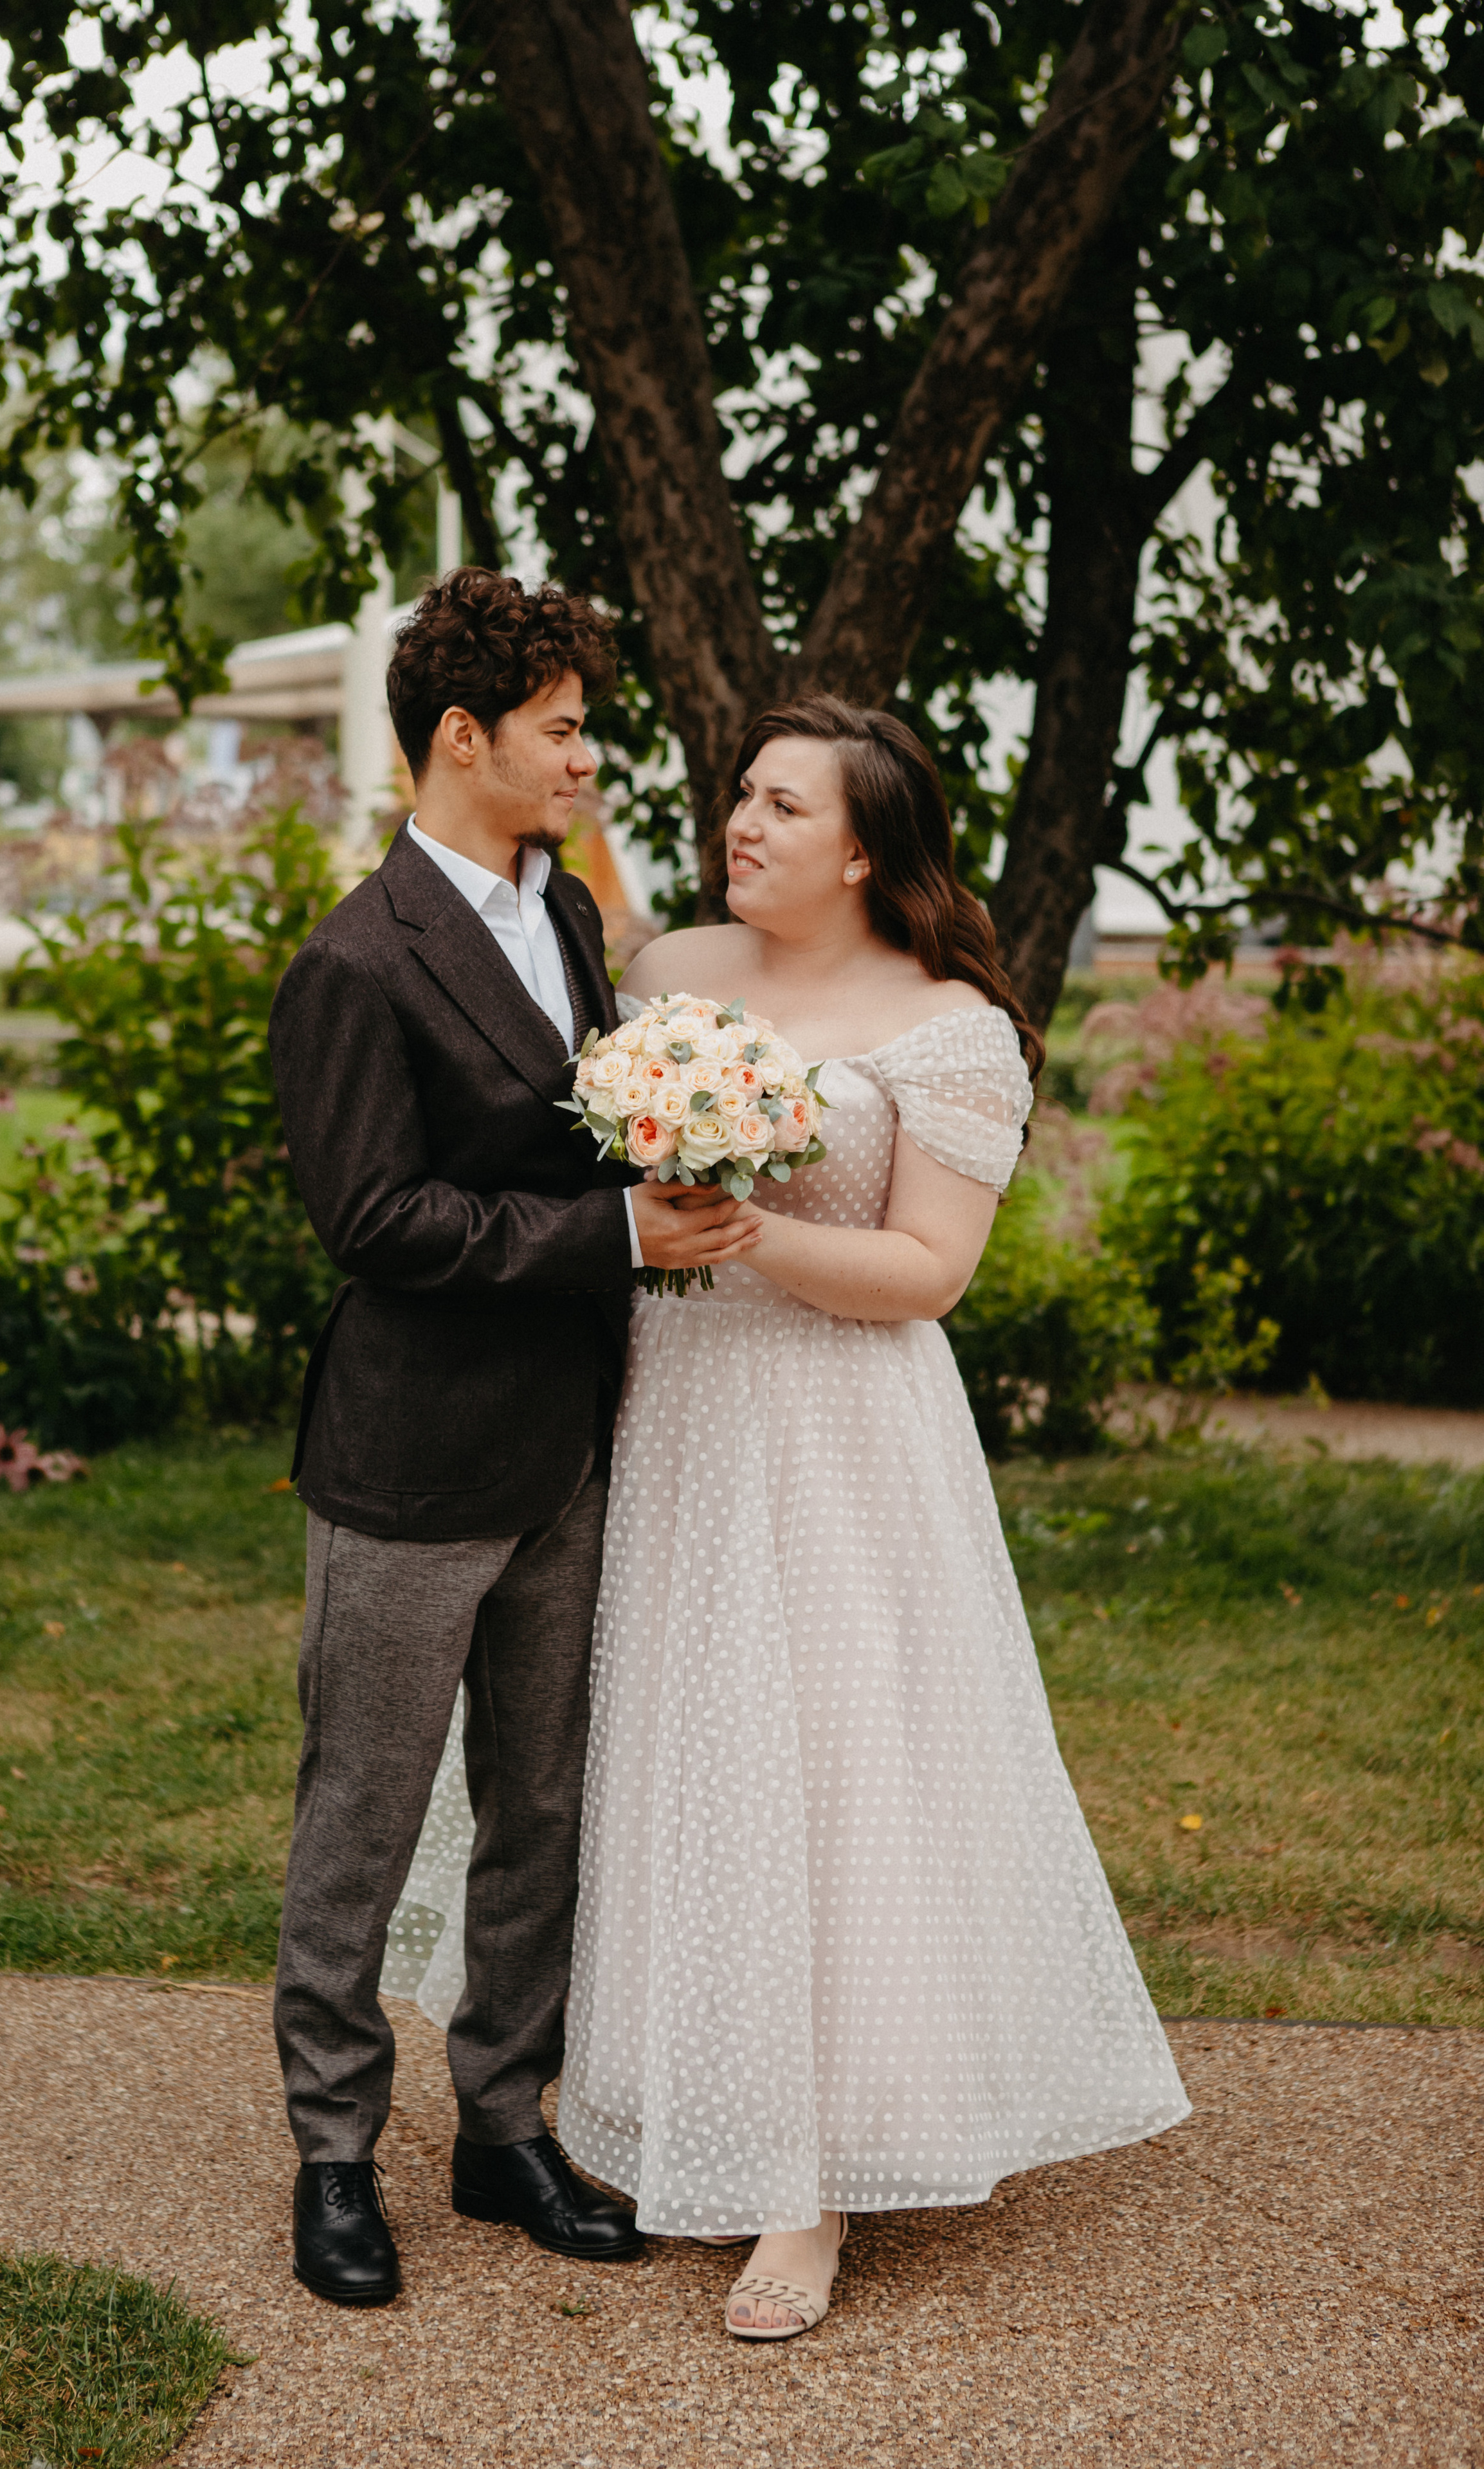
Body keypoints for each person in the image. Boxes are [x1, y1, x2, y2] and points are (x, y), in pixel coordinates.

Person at [556, 695, 1191, 2341]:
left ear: (860, 849)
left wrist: (748, 1234)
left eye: (779, 807)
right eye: (737, 799)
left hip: (844, 1439)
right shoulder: (662, 978)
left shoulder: (949, 1028)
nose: (740, 826)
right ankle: (691, 2084)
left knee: (830, 1775)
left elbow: (927, 1276)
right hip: (681, 1420)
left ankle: (804, 2192)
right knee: (690, 1753)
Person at [266, 568, 759, 2307]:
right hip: (407, 1469)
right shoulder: (352, 962)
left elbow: (578, 1140)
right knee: (367, 1817)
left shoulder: (565, 925)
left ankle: (502, 2122)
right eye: (563, 729)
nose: (588, 757)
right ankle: (335, 2154)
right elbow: (381, 1224)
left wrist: (677, 1169)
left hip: (571, 1446)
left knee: (541, 1807)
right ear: (461, 738)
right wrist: (616, 1239)